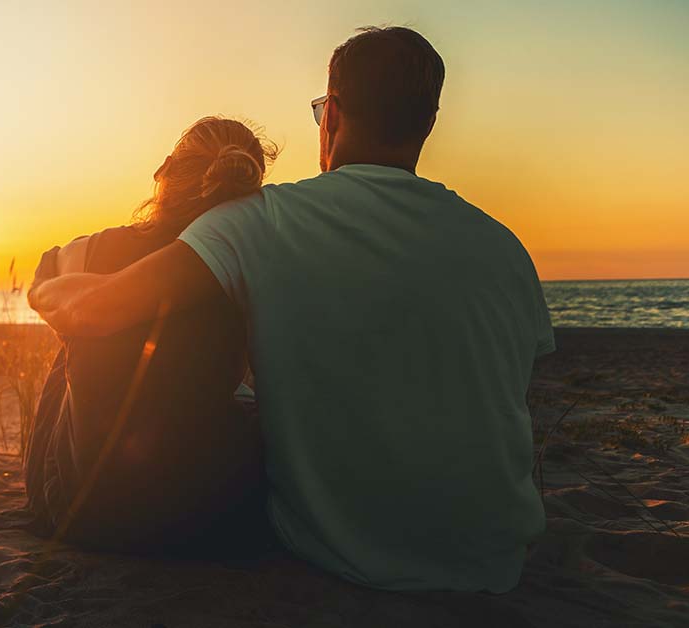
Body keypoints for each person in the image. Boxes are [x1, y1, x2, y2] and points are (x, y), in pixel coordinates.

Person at [29, 26, 554, 593]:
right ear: (426, 124)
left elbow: (95, 314)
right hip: (497, 563)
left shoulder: (262, 220)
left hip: (342, 558)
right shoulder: (505, 247)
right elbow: (510, 393)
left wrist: (48, 287)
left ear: (331, 116)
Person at [22, 117, 280, 554]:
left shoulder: (97, 249)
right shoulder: (246, 266)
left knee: (69, 352)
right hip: (196, 512)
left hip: (77, 507)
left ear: (164, 171)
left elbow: (43, 276)